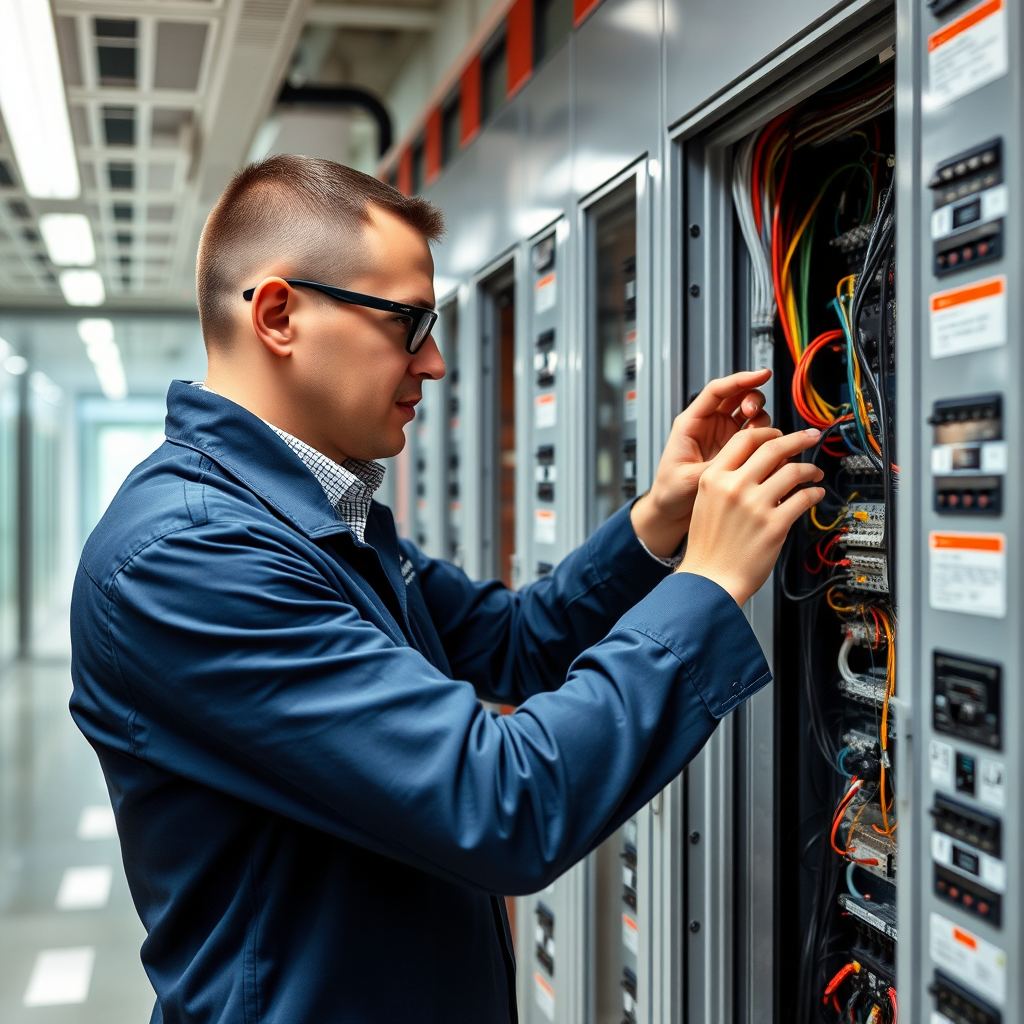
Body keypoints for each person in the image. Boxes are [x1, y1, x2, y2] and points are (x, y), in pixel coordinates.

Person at [69, 155, 824, 1024]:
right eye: (409, 324)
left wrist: (659, 521)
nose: (433, 363)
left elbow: (511, 640)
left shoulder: (308, 516)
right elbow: (503, 804)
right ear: (279, 315)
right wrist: (711, 583)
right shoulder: (192, 557)